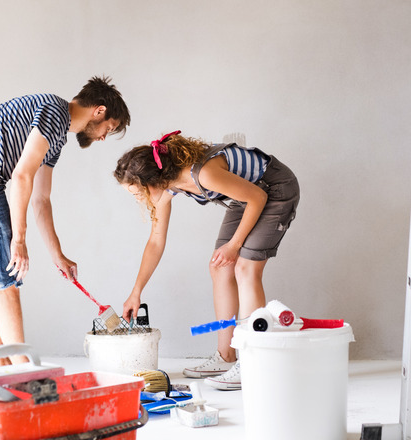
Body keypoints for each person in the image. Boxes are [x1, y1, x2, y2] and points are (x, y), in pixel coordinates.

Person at [0, 76, 130, 364]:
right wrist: (19, 239)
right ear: (99, 111)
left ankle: (2, 369)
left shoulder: (55, 136)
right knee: (6, 280)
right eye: (109, 128)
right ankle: (23, 371)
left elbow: (41, 200)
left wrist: (58, 255)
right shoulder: (54, 112)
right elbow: (21, 175)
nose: (103, 136)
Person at [114, 131, 299, 390]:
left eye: (137, 193)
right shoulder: (170, 186)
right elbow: (156, 242)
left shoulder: (203, 174)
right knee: (219, 267)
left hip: (274, 189)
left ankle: (253, 363)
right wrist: (136, 292)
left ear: (152, 182)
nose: (137, 200)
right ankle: (226, 357)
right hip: (246, 195)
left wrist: (234, 246)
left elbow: (257, 197)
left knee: (245, 268)